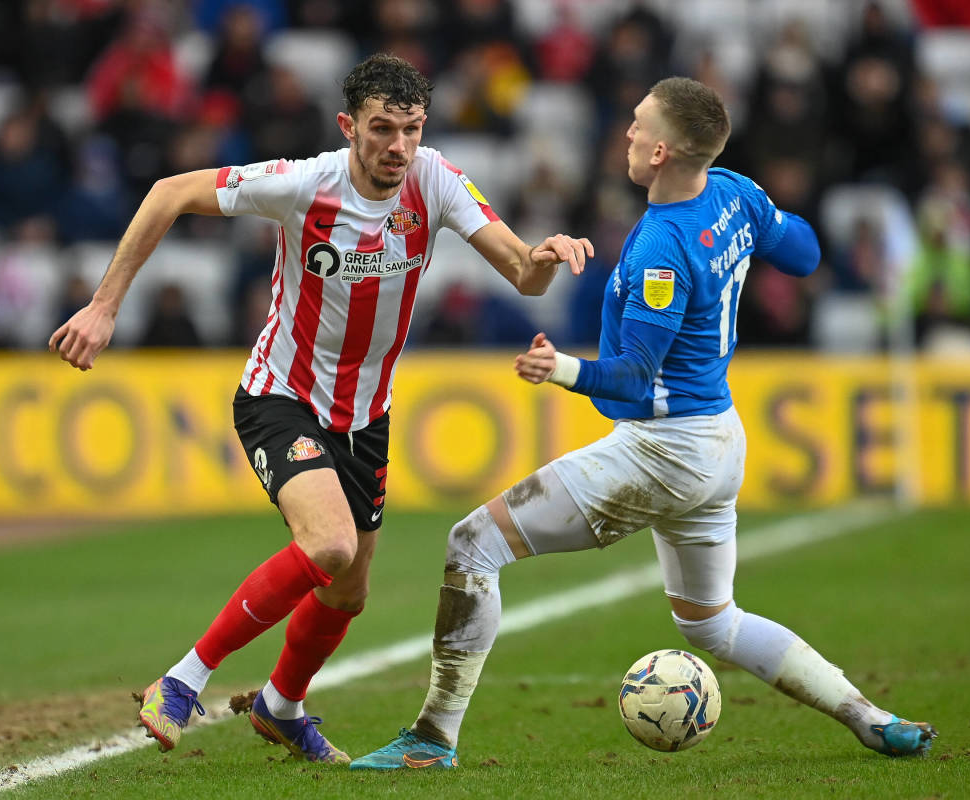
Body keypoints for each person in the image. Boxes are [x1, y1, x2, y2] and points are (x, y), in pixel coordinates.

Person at [351, 77, 936, 771]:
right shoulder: (735, 192)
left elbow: (632, 375)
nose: (625, 133)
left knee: (473, 544)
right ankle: (870, 718)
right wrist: (756, 226)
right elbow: (805, 254)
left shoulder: (663, 245)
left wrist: (562, 370)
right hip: (718, 439)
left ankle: (432, 738)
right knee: (711, 622)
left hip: (664, 450)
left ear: (661, 151)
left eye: (637, 126)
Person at [48, 53, 592, 764]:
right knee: (329, 545)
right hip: (282, 396)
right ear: (348, 126)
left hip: (365, 416)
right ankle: (181, 682)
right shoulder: (305, 183)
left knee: (348, 591)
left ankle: (281, 705)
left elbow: (522, 273)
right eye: (382, 129)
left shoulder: (436, 181)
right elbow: (168, 191)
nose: (399, 147)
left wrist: (546, 254)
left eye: (413, 129)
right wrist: (104, 303)